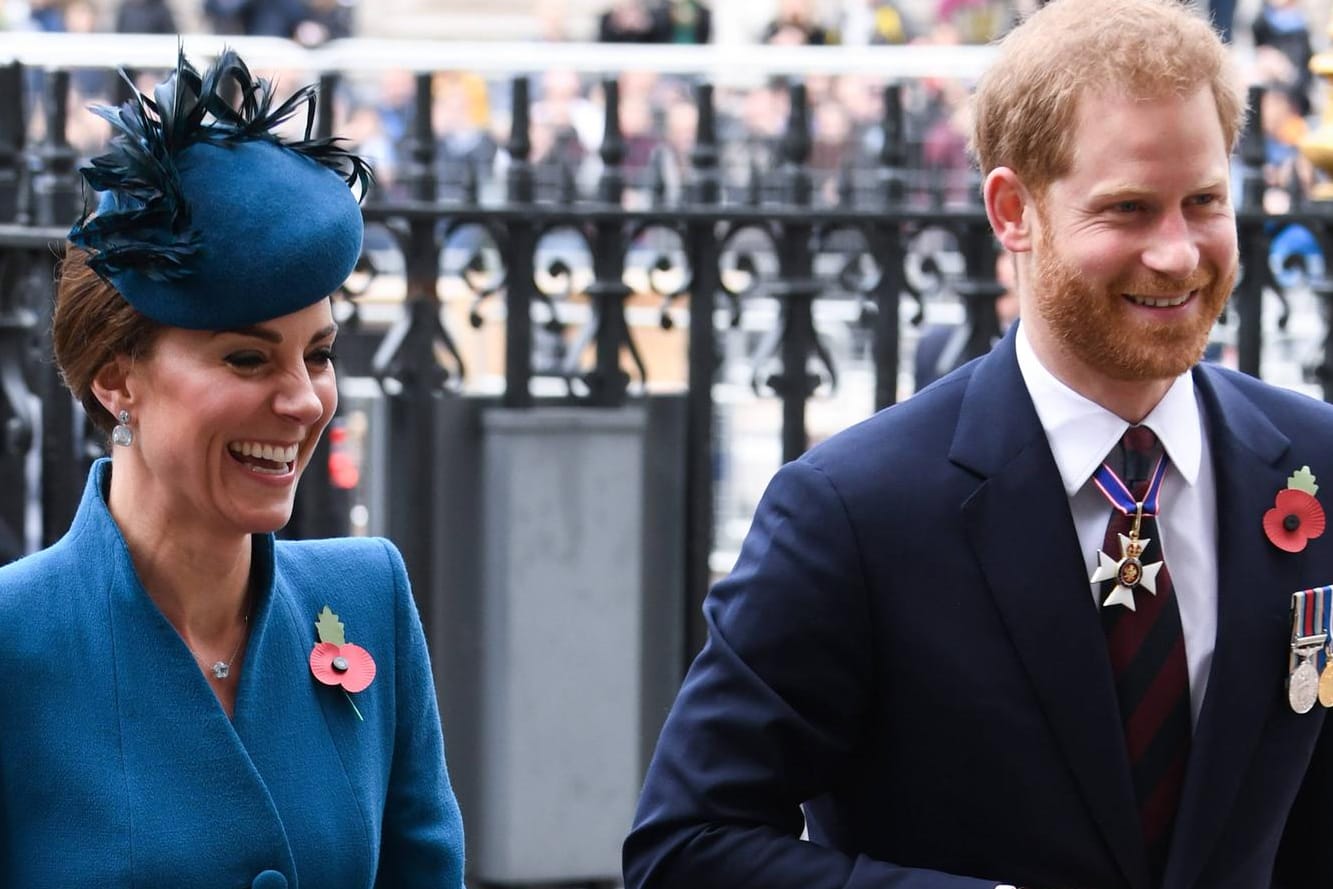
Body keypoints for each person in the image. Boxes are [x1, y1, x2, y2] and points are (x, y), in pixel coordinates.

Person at [624, 0, 1333, 887]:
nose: (1177, 253)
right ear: (1012, 210)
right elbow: (686, 847)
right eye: (1126, 209)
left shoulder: (1313, 463)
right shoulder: (852, 509)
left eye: (1203, 202)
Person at [0, 49, 465, 887]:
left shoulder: (368, 601)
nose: (302, 400)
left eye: (317, 355)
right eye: (247, 359)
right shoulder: (14, 640)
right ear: (117, 376)